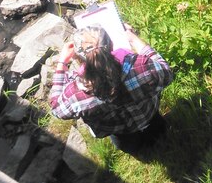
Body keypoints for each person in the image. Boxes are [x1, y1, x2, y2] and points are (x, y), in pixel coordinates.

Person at [49, 25, 173, 153]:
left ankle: (139, 151)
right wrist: (134, 39)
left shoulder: (74, 95)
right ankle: (161, 136)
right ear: (112, 45)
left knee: (132, 147)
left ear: (78, 57)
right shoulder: (141, 67)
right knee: (160, 131)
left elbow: (57, 110)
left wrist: (62, 62)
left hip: (118, 132)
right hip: (148, 114)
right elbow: (166, 72)